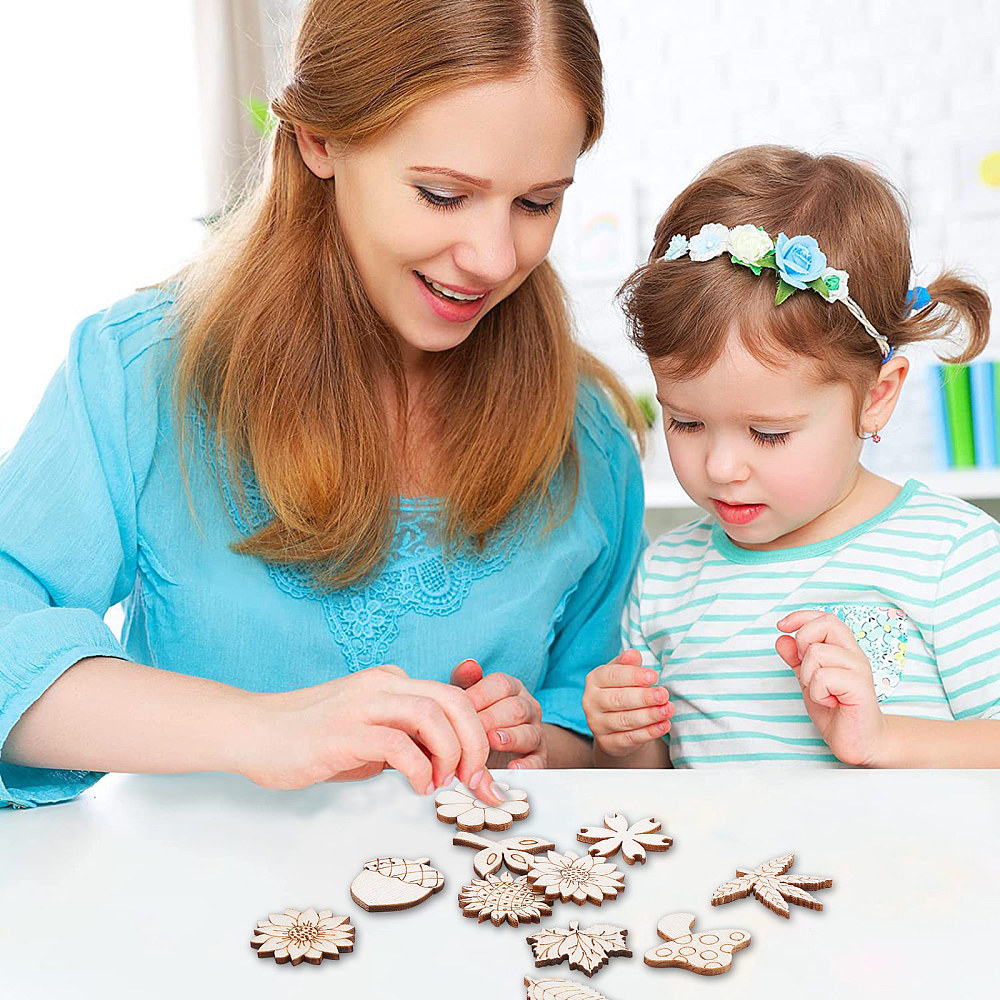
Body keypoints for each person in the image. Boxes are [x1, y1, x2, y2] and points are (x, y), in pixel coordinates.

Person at [0, 0, 646, 809]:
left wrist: (537, 739)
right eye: (443, 195)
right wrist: (261, 730)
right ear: (320, 139)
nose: (492, 257)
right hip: (196, 921)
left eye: (537, 203)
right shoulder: (140, 376)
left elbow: (597, 723)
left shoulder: (583, 434)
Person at [583, 145, 1000, 768]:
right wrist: (626, 741)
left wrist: (884, 739)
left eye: (770, 434)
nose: (721, 467)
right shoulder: (666, 575)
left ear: (876, 398)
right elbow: (652, 787)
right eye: (686, 421)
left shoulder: (951, 556)